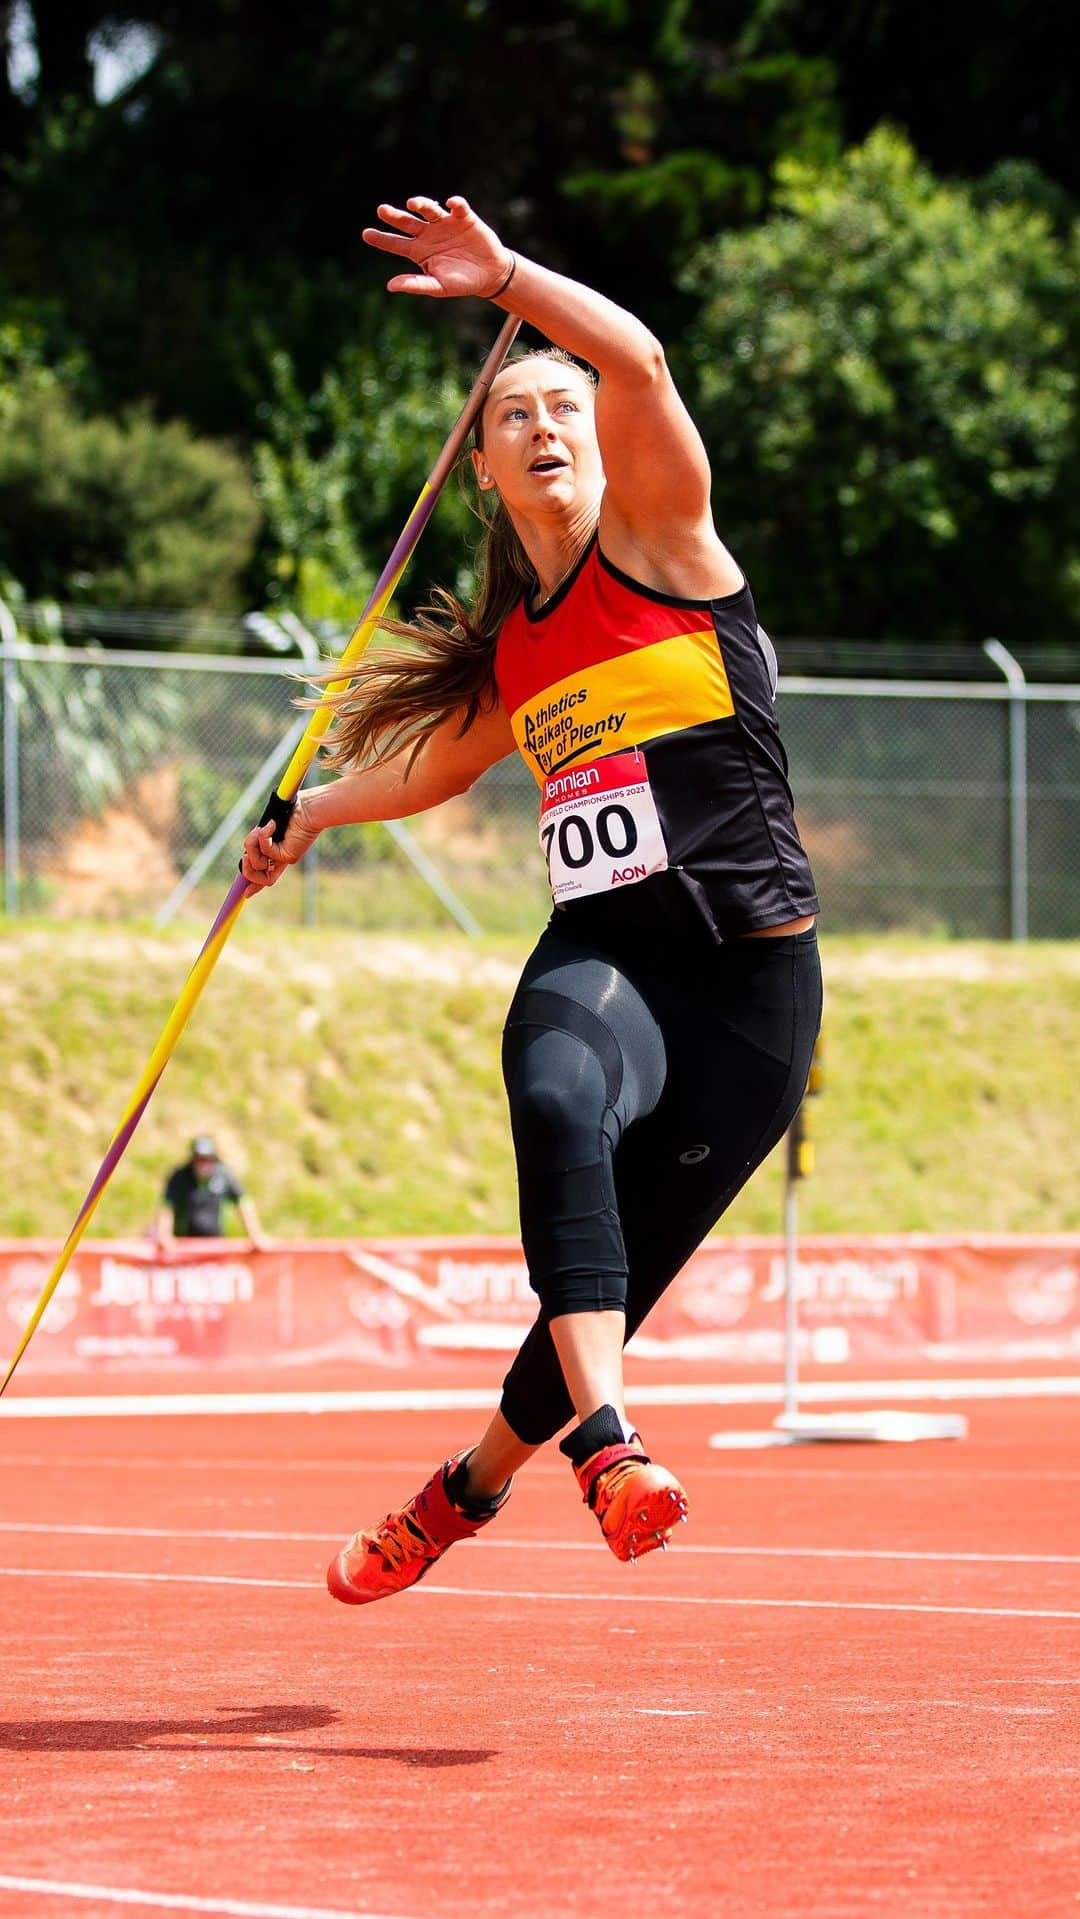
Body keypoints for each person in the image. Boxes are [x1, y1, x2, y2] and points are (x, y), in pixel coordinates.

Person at [241, 194, 822, 1605]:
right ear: (486, 470)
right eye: (515, 417)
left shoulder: (669, 542)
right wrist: (310, 811)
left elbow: (643, 368)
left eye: (561, 403)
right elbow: (431, 773)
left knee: (595, 1292)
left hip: (752, 993)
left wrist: (507, 279)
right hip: (606, 966)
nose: (549, 423)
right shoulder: (519, 653)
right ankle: (613, 1448)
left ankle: (467, 1487)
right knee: (559, 1105)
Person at [155, 1137, 269, 1252]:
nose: (203, 1164)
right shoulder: (180, 1177)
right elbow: (167, 1207)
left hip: (216, 1244)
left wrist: (255, 1235)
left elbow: (243, 1203)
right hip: (184, 1246)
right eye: (199, 1159)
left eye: (207, 1159)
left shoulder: (223, 1175)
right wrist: (164, 1235)